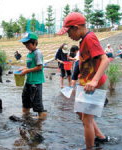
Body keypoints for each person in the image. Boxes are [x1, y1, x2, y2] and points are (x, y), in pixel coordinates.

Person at [58, 12, 110, 150]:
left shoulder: (90, 38)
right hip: (86, 84)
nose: (68, 36)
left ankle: (89, 147)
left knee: (86, 120)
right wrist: (75, 80)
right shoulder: (84, 40)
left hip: (93, 85)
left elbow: (105, 60)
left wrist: (94, 81)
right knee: (80, 112)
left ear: (76, 28)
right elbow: (84, 63)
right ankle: (100, 137)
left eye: (69, 32)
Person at [19, 32, 47, 119]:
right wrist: (23, 68)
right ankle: (26, 118)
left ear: (35, 43)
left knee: (37, 104)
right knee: (25, 101)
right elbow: (30, 66)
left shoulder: (37, 53)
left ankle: (40, 122)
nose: (27, 46)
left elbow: (39, 67)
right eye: (25, 44)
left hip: (36, 82)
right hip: (29, 81)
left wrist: (27, 70)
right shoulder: (29, 53)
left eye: (28, 44)